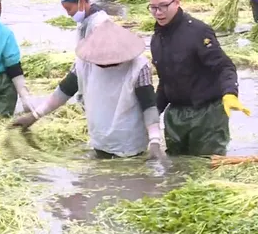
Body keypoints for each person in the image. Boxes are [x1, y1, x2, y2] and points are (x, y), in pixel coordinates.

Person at [11, 19, 163, 160]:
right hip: (99, 137)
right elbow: (63, 92)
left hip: (131, 144)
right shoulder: (84, 63)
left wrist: (155, 141)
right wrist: (34, 115)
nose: (104, 64)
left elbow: (148, 105)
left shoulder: (138, 67)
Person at [147, 0, 251, 156]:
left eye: (163, 6)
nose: (158, 13)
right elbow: (166, 82)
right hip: (176, 116)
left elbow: (224, 66)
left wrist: (230, 93)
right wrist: (153, 113)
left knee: (205, 168)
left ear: (177, 2)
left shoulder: (198, 32)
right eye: (153, 8)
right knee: (177, 170)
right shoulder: (157, 39)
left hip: (207, 115)